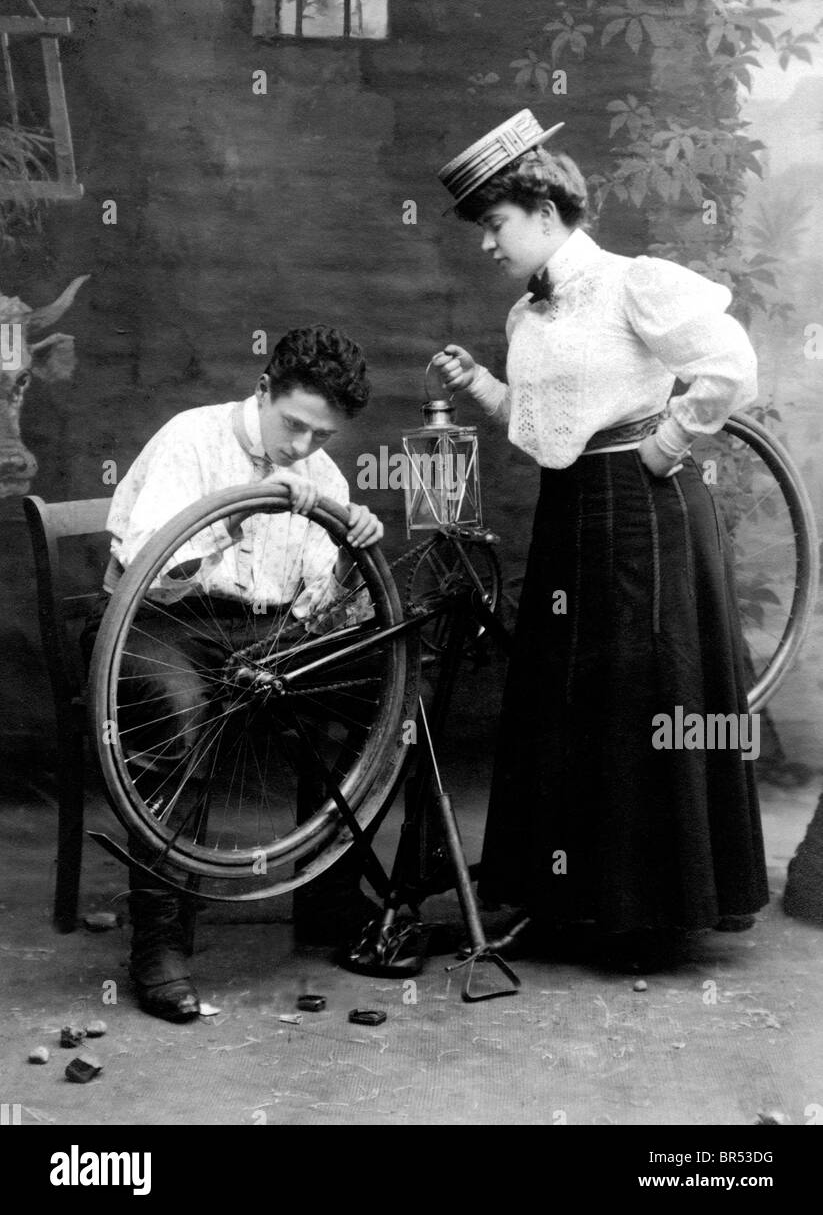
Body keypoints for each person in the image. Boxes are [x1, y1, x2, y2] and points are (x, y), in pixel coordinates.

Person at [433, 110, 769, 967]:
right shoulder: (526, 315)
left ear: (544, 211)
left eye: (494, 224)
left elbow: (730, 363)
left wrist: (672, 438)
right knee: (564, 701)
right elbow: (547, 425)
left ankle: (649, 913)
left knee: (642, 697)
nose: (486, 244)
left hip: (644, 513)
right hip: (570, 513)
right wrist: (480, 384)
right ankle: (573, 899)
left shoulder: (632, 282)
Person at [82, 325, 385, 1021]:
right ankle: (159, 945)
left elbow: (318, 603)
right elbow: (152, 571)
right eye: (294, 425)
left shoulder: (320, 473)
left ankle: (329, 899)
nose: (303, 447)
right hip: (161, 621)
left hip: (264, 633)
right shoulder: (191, 438)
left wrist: (349, 549)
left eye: (322, 435)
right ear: (263, 390)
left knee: (373, 689)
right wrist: (243, 511)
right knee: (173, 710)